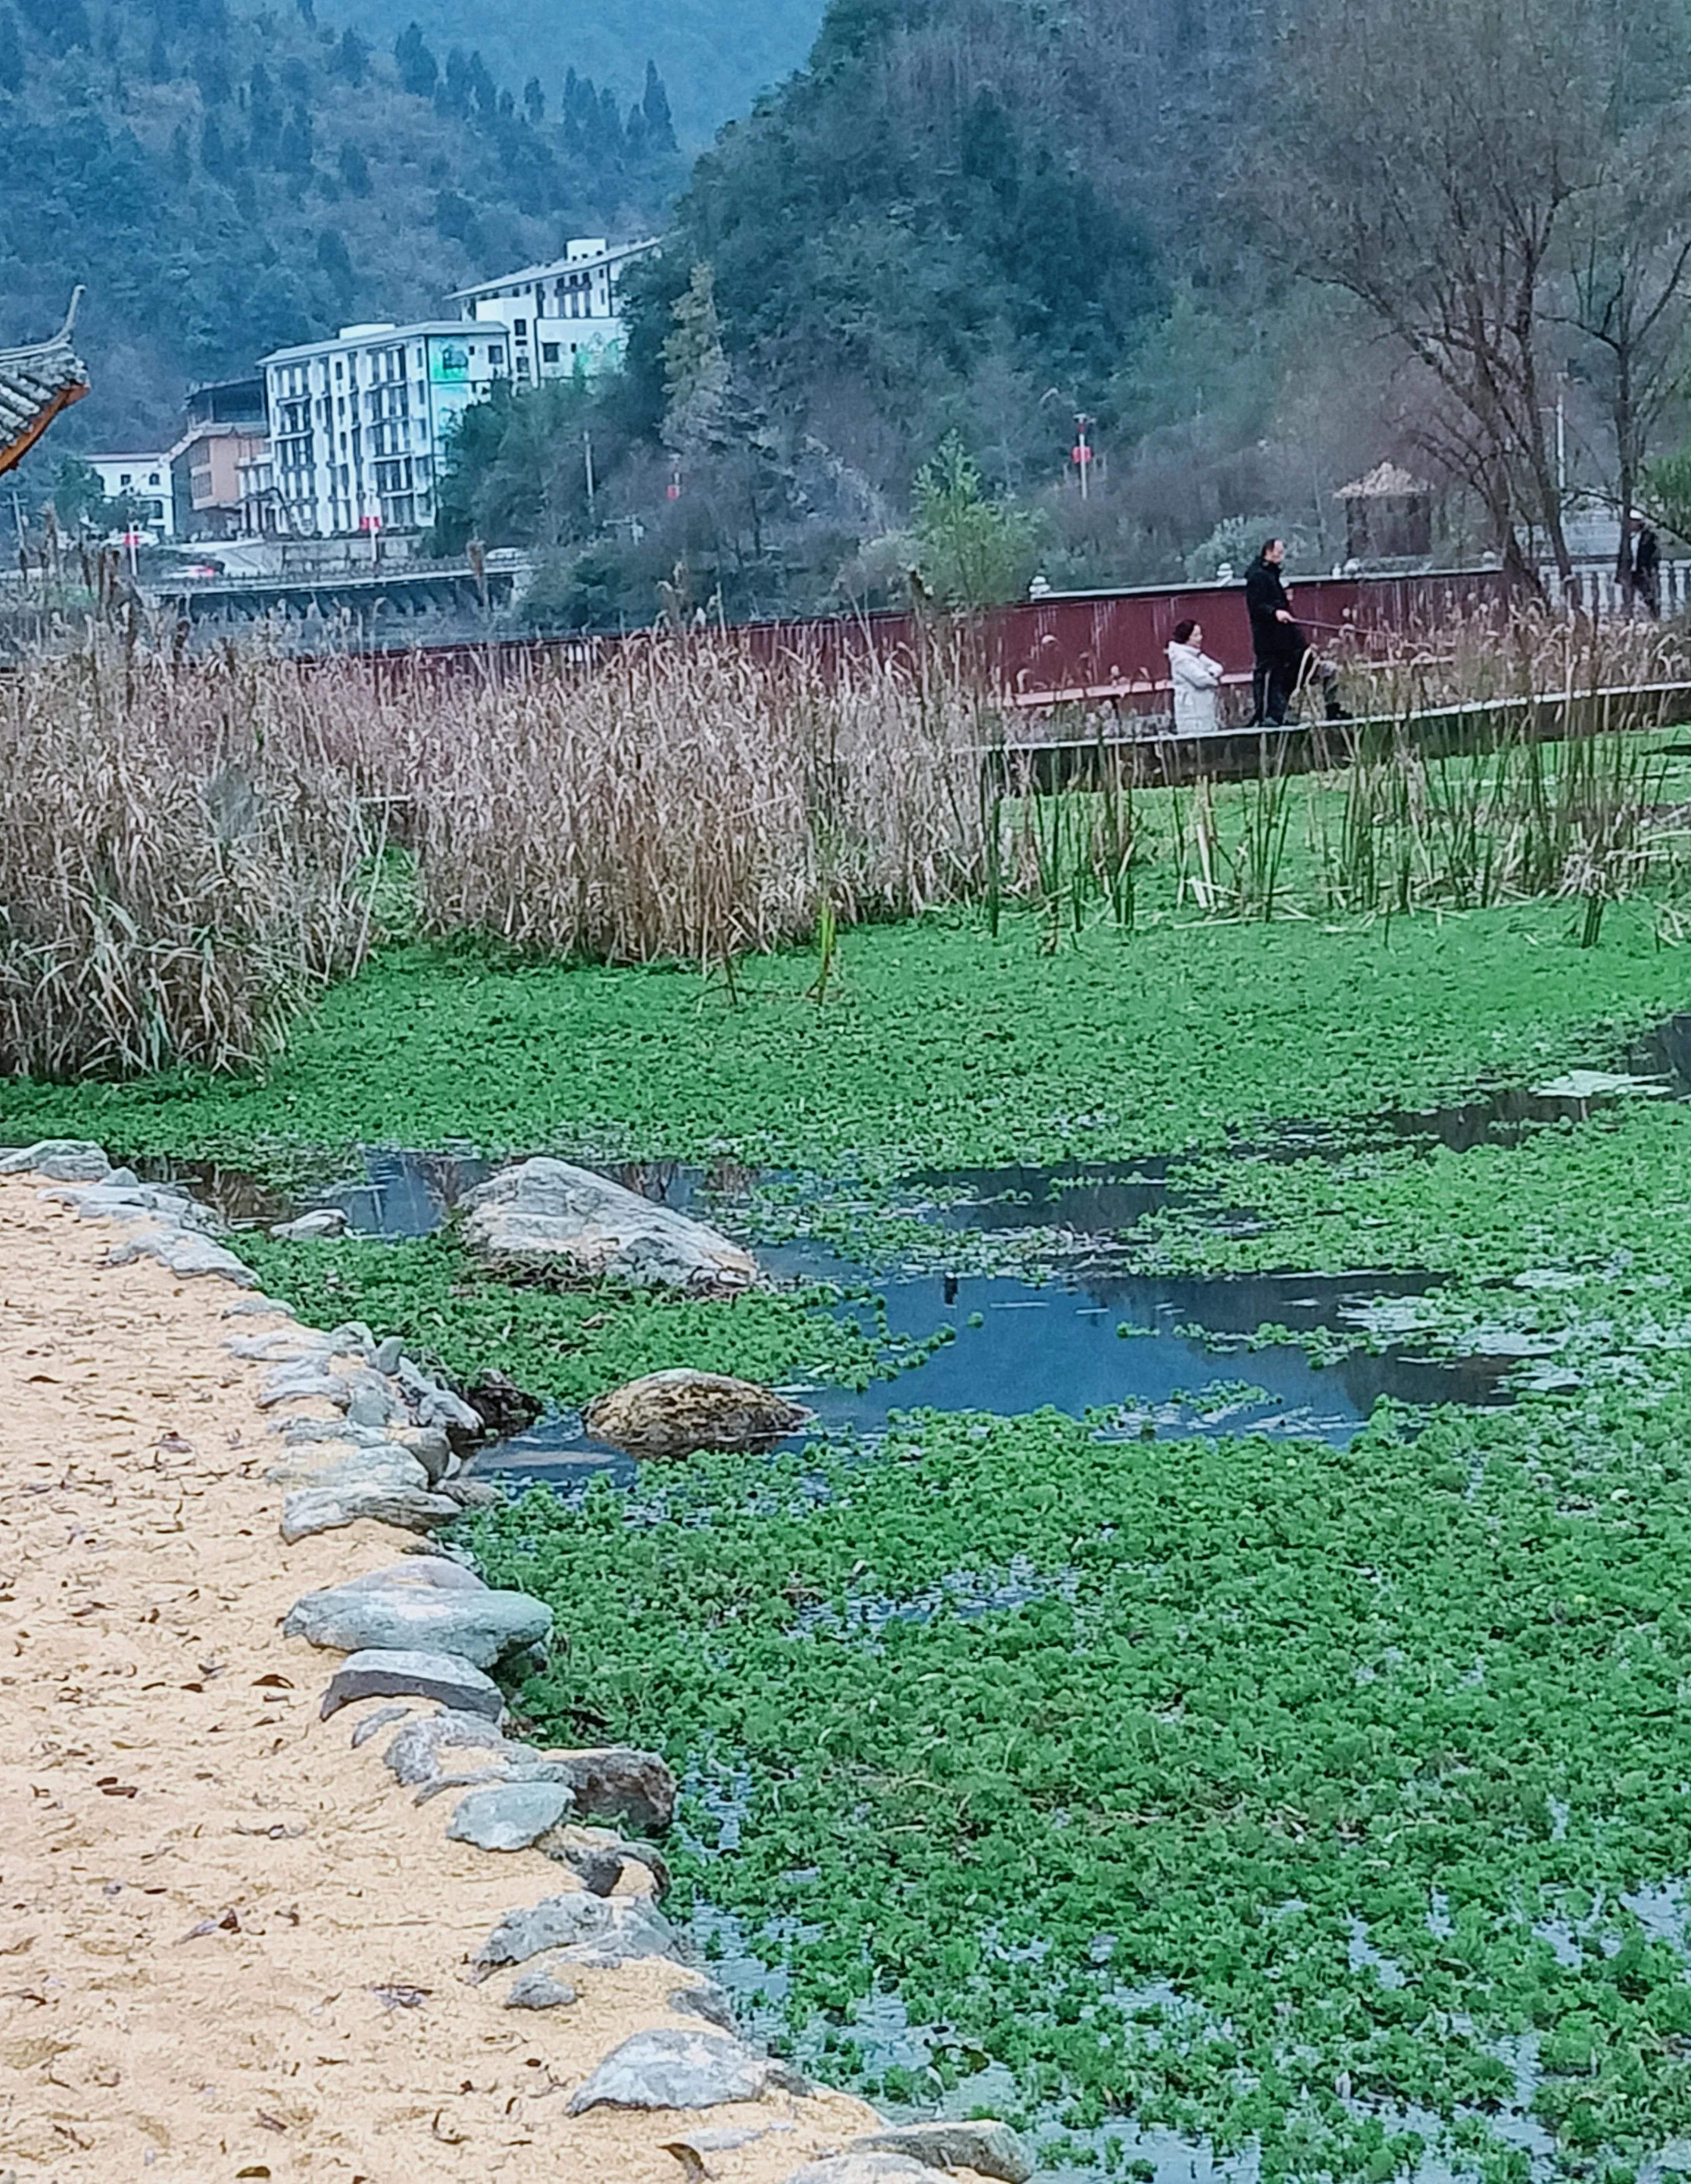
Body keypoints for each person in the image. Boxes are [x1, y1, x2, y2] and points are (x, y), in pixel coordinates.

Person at [1244, 538, 1347, 724]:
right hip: (1272, 644)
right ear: (1268, 551)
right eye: (1279, 552)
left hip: (1291, 647)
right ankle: (1268, 717)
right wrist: (1275, 613)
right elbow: (1257, 605)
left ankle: (1332, 709)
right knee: (1271, 680)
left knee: (1326, 671)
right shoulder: (1258, 577)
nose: (1282, 557)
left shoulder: (1271, 576)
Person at [1167, 618, 1225, 735]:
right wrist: (1213, 677)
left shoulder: (1197, 655)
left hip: (1205, 709)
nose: (1201, 638)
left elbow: (1218, 667)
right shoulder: (1181, 659)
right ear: (1186, 637)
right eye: (1196, 635)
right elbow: (1201, 680)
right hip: (1191, 713)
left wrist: (1211, 674)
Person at [1634, 524, 1661, 618]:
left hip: (1646, 572)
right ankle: (1652, 612)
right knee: (1647, 593)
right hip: (1644, 572)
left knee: (1650, 593)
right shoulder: (1644, 546)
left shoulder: (1648, 546)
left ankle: (1653, 613)